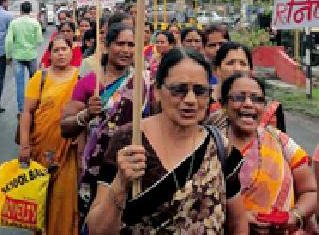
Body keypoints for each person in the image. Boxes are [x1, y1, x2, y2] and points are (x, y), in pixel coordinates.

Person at [86, 47, 248, 234]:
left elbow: (238, 222)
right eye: (179, 90)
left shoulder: (219, 146)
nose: (190, 100)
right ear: (157, 91)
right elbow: (97, 229)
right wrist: (121, 184)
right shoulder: (129, 140)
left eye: (200, 91)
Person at [60, 23, 151, 230]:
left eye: (131, 45)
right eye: (120, 44)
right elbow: (65, 128)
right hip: (96, 167)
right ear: (107, 46)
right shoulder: (90, 83)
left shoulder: (143, 82)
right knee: (96, 222)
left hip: (132, 165)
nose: (126, 50)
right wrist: (86, 114)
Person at [221, 73, 317, 234]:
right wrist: (240, 218)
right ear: (224, 104)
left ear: (264, 107)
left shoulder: (280, 141)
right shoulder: (212, 146)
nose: (248, 104)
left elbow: (309, 190)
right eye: (238, 97)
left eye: (257, 99)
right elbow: (199, 205)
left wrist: (294, 216)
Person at [19, 35, 79, 235]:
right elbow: (26, 112)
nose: (61, 53)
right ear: (50, 54)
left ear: (72, 52)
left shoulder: (80, 78)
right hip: (41, 149)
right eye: (56, 50)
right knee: (40, 195)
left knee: (64, 200)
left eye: (64, 49)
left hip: (69, 149)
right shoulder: (40, 78)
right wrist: (25, 146)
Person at [209, 41, 286, 132]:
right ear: (217, 70)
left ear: (250, 70)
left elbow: (277, 143)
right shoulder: (205, 103)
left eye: (243, 63)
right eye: (230, 63)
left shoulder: (268, 109)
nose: (237, 68)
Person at [5, 0, 43, 113]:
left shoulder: (14, 23)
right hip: (31, 55)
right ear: (30, 10)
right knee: (34, 82)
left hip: (17, 56)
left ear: (21, 10)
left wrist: (8, 55)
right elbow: (40, 40)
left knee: (20, 83)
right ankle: (33, 106)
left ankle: (22, 109)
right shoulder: (35, 23)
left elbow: (9, 41)